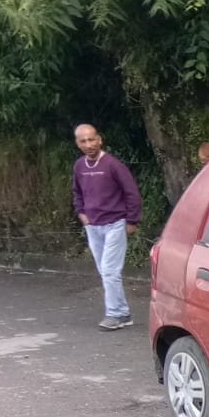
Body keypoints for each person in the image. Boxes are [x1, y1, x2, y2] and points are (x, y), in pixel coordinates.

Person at [71, 124, 141, 330]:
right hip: (93, 225)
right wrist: (82, 214)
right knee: (105, 271)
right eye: (83, 141)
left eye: (91, 139)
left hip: (115, 224)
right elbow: (77, 192)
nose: (88, 144)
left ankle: (115, 314)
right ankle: (123, 312)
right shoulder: (79, 166)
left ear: (99, 139)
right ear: (77, 143)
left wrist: (132, 220)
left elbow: (132, 193)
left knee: (110, 271)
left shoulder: (113, 165)